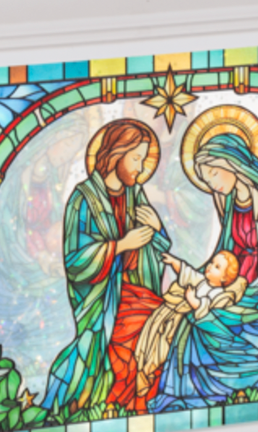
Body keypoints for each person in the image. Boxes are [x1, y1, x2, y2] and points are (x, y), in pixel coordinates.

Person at [153, 129, 258, 408]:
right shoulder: (230, 201)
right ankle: (186, 395)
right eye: (206, 179)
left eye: (214, 174)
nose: (212, 184)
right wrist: (197, 277)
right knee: (184, 311)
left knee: (204, 318)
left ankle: (240, 383)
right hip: (236, 284)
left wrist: (243, 291)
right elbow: (227, 253)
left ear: (231, 163)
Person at [42, 120, 170, 414]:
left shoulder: (134, 193)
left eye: (143, 160)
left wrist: (158, 229)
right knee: (133, 343)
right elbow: (75, 262)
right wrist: (120, 245)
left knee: (166, 329)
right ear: (116, 154)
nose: (140, 167)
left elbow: (158, 249)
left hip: (139, 292)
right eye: (136, 158)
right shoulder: (83, 199)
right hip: (104, 301)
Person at [134, 250, 247, 400]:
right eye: (211, 262)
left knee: (163, 343)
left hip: (182, 326)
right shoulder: (202, 281)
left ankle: (147, 372)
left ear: (224, 278)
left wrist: (192, 300)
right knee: (152, 331)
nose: (210, 266)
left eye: (217, 267)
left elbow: (203, 310)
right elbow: (188, 273)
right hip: (174, 314)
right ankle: (143, 366)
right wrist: (174, 261)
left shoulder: (219, 295)